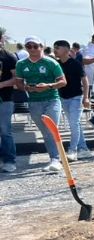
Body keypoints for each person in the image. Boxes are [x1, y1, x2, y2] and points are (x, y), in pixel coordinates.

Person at [16, 36, 65, 173]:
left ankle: (56, 159)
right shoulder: (21, 64)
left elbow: (63, 81)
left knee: (51, 129)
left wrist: (48, 86)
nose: (32, 49)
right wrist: (26, 87)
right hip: (34, 101)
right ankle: (54, 157)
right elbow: (19, 82)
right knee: (45, 132)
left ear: (41, 47)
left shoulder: (51, 62)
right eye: (29, 46)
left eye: (35, 46)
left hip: (52, 99)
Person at [53, 40, 92, 162]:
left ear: (66, 49)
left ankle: (72, 150)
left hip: (76, 97)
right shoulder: (56, 64)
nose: (55, 50)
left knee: (74, 124)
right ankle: (84, 149)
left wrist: (86, 97)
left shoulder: (75, 64)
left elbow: (85, 81)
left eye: (57, 48)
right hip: (63, 98)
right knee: (75, 124)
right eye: (54, 48)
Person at [0, 30, 19, 173]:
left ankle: (9, 160)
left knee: (5, 130)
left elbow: (17, 80)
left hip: (5, 99)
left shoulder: (9, 57)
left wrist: (1, 85)